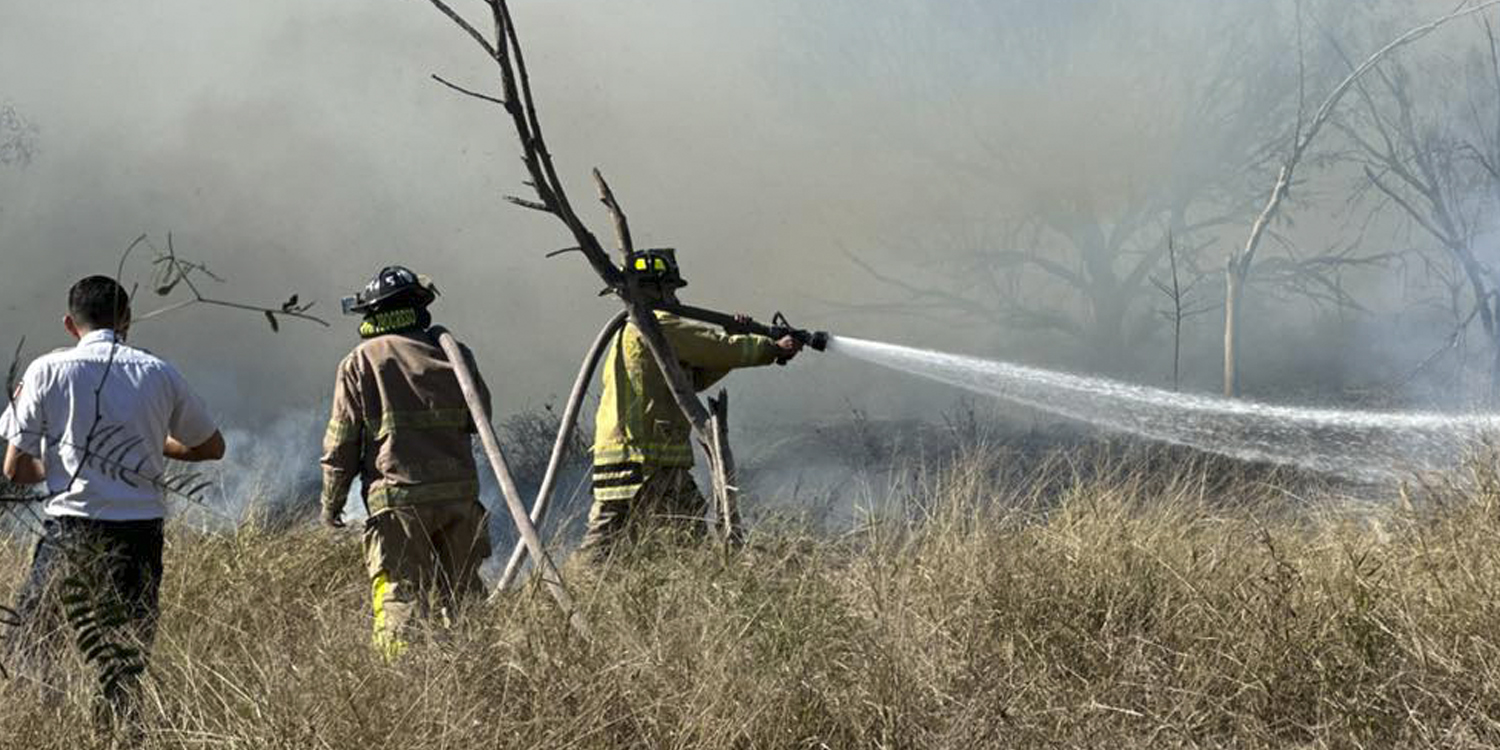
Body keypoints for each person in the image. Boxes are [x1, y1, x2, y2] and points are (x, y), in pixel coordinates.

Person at [0, 275, 225, 727]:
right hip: (140, 533)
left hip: (70, 531)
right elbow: (211, 446)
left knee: (30, 641)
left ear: (69, 323)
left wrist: (64, 461)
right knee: (126, 650)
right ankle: (120, 732)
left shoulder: (46, 370)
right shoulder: (159, 372)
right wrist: (154, 444)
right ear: (127, 321)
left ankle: (43, 721)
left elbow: (14, 469)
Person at [582, 248, 802, 560]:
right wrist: (772, 348)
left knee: (622, 549)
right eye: (670, 289)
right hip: (647, 458)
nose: (675, 299)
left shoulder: (633, 331)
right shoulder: (655, 324)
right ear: (653, 289)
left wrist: (734, 339)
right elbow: (713, 347)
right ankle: (560, 597)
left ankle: (571, 593)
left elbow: (689, 381)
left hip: (638, 458)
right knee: (676, 541)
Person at [320, 265, 492, 660]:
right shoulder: (453, 352)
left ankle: (400, 686)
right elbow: (479, 417)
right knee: (465, 597)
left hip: (398, 503)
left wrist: (331, 506)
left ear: (373, 313)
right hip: (459, 499)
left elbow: (341, 445)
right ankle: (479, 673)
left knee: (399, 599)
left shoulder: (360, 361)